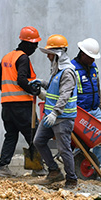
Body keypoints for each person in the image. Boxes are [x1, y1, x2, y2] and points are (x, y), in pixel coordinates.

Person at [0, 26, 43, 177]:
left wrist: (8, 91)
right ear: (27, 43)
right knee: (34, 135)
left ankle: (2, 167)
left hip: (7, 105)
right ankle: (38, 168)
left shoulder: (7, 57)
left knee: (11, 135)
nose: (35, 48)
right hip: (22, 105)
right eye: (34, 45)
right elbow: (21, 79)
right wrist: (34, 91)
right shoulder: (23, 58)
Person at [34, 34, 78, 190]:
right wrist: (42, 83)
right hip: (50, 115)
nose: (48, 57)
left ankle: (71, 180)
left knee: (64, 149)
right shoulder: (57, 70)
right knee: (38, 141)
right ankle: (54, 171)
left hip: (62, 118)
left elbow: (65, 95)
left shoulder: (68, 72)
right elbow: (55, 89)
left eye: (50, 54)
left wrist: (55, 113)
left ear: (58, 53)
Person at [71, 37, 101, 174]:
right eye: (90, 57)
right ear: (82, 54)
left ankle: (95, 168)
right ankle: (79, 169)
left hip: (95, 110)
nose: (93, 60)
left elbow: (97, 88)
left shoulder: (93, 67)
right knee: (82, 143)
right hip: (81, 112)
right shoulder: (72, 68)